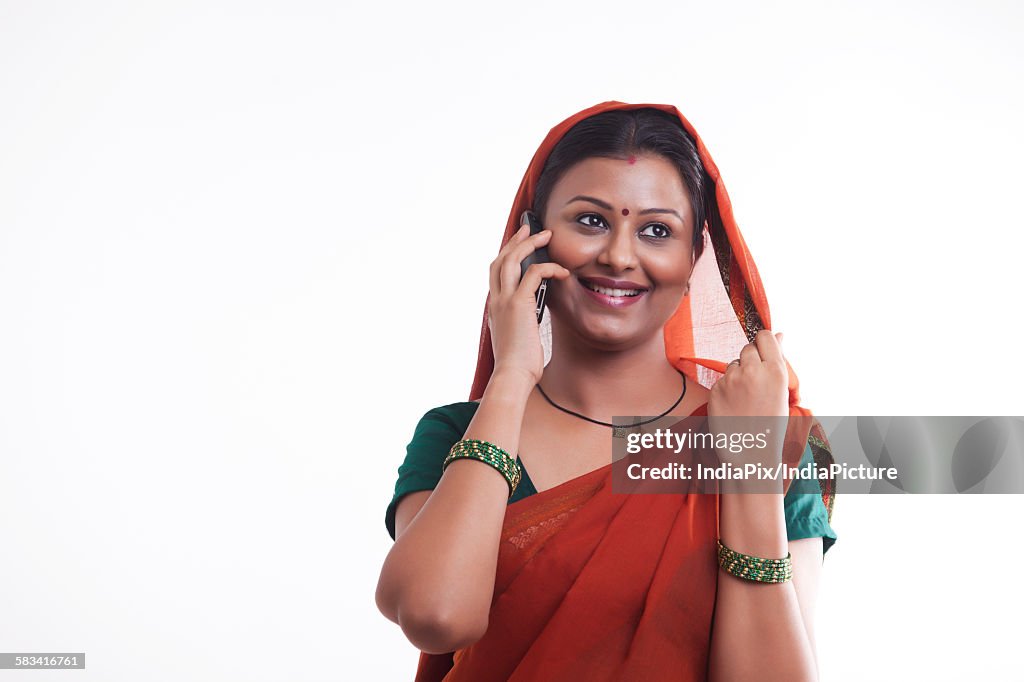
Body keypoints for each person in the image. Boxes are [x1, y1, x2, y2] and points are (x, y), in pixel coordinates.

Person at [376, 101, 838, 681]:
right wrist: (512, 376)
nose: (620, 256)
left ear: (694, 254)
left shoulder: (785, 442)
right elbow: (435, 615)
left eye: (656, 230)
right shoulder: (455, 434)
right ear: (530, 237)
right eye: (590, 220)